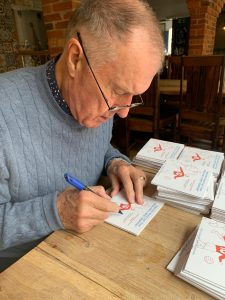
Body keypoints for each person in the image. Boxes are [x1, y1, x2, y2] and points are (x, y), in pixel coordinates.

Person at [0, 0, 164, 271]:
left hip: (85, 250)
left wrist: (116, 162)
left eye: (133, 97)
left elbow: (98, 147)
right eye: (117, 90)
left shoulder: (96, 107)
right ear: (75, 59)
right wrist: (56, 211)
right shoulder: (5, 111)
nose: (123, 113)